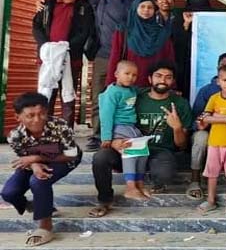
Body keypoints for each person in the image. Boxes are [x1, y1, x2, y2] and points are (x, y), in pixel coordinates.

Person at [88, 61, 193, 218]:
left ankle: (141, 183)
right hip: (126, 144)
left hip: (159, 151)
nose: (163, 80)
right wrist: (113, 141)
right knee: (100, 158)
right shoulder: (135, 95)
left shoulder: (180, 103)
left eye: (168, 77)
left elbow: (182, 145)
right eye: (158, 76)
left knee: (164, 174)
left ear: (173, 81)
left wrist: (177, 127)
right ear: (149, 79)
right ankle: (105, 200)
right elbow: (108, 111)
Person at [2, 92, 81, 247]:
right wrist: (34, 164)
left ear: (47, 112)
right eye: (30, 115)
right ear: (18, 117)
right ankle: (36, 205)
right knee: (9, 193)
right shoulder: (15, 136)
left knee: (38, 180)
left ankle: (46, 226)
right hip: (32, 161)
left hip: (64, 159)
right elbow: (24, 157)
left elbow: (71, 155)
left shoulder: (60, 126)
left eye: (42, 114)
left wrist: (36, 158)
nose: (37, 119)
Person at [32, 0, 96, 127]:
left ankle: (66, 132)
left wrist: (65, 47)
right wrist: (46, 45)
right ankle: (45, 131)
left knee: (68, 98)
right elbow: (36, 26)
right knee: (47, 96)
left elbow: (85, 32)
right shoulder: (48, 3)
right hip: (48, 59)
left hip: (71, 59)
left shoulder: (84, 7)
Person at [85, 0, 134, 152]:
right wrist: (44, 3)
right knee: (99, 96)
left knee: (126, 97)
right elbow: (73, 6)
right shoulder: (95, 0)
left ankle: (122, 133)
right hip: (102, 55)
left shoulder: (131, 2)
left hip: (125, 57)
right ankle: (97, 135)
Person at [188, 53, 226, 200]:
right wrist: (223, 118)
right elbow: (200, 118)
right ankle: (195, 181)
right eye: (223, 65)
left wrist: (213, 118)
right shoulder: (207, 92)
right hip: (209, 134)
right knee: (201, 139)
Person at [98, 60, 150, 200]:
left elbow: (143, 90)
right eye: (127, 73)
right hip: (119, 127)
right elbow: (106, 116)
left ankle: (139, 184)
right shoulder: (111, 93)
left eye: (134, 75)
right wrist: (106, 137)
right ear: (116, 74)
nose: (130, 77)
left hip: (131, 127)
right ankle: (130, 187)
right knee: (130, 152)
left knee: (143, 152)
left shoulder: (131, 90)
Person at [106, 0, 174, 87]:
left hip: (155, 86)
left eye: (150, 7)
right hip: (128, 85)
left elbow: (169, 60)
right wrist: (111, 84)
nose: (146, 10)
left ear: (154, 10)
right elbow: (115, 57)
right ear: (135, 8)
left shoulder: (162, 32)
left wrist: (171, 86)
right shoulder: (124, 30)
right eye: (142, 6)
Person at [173, 0, 215, 98]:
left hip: (208, 57)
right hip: (186, 59)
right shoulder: (181, 14)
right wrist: (187, 23)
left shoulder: (214, 14)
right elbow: (177, 39)